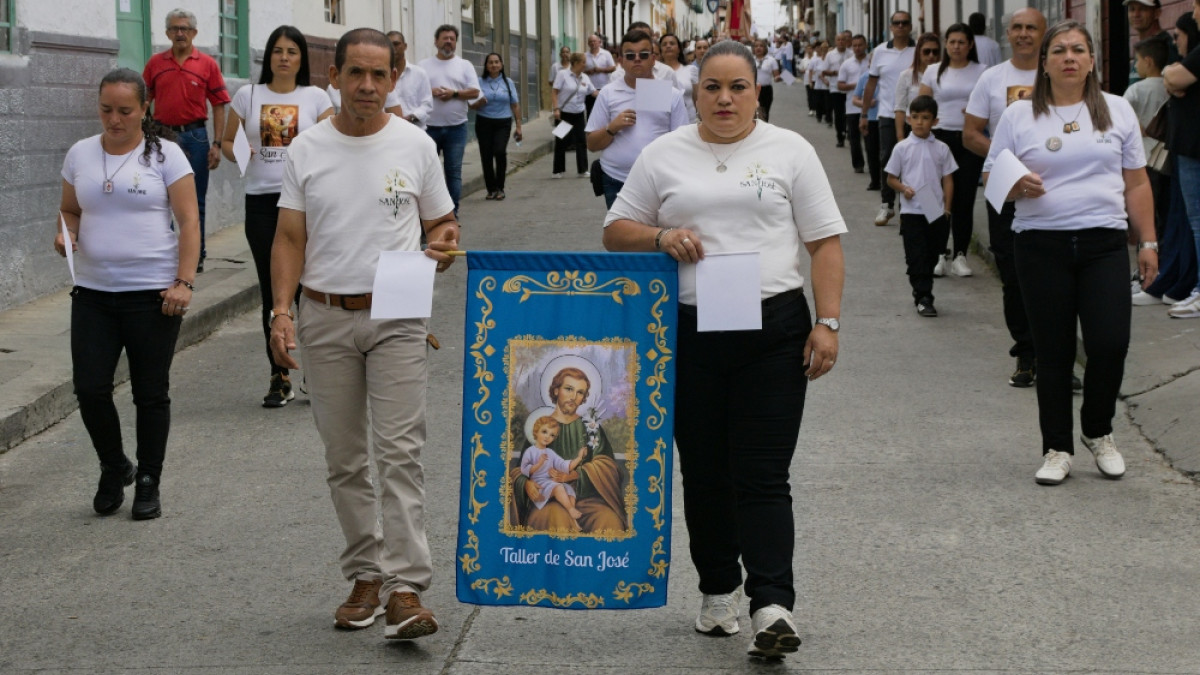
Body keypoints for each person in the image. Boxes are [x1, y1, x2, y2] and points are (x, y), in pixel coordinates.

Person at [602, 40, 846, 661]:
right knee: (706, 471)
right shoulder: (665, 153)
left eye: (738, 87)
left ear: (758, 92)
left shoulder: (790, 151)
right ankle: (718, 589)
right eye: (712, 87)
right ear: (694, 93)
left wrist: (829, 323)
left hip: (775, 330)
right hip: (689, 331)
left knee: (763, 473)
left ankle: (771, 603)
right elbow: (615, 231)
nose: (725, 99)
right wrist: (662, 234)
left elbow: (824, 243)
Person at [269, 28, 459, 639]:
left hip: (398, 315)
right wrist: (281, 312)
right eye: (357, 74)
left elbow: (442, 222)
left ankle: (406, 588)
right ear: (337, 76)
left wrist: (444, 246)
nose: (368, 87)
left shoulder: (416, 145)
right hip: (324, 314)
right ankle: (366, 574)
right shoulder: (307, 148)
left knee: (400, 453)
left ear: (394, 77)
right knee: (345, 458)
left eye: (380, 75)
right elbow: (291, 237)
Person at [985, 21, 1157, 485]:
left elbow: (1137, 181)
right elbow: (990, 174)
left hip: (1103, 244)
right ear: (1044, 63)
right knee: (1054, 351)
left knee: (1109, 343)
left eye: (1078, 49)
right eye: (1058, 50)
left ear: (1092, 60)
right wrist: (1015, 184)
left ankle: (1097, 431)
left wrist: (1148, 242)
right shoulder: (1020, 116)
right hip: (1041, 244)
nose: (1069, 57)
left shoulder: (1117, 111)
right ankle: (1057, 447)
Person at [56, 68, 199, 520]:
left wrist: (184, 281)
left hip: (153, 296)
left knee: (150, 393)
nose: (114, 120)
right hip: (94, 293)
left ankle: (149, 480)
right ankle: (115, 465)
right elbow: (68, 208)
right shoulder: (80, 153)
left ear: (144, 110)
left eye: (124, 111)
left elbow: (189, 222)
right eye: (106, 110)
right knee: (90, 388)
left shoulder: (166, 156)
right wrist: (66, 234)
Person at [220, 26, 333, 408]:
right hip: (263, 202)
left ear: (302, 58)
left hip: (308, 202)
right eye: (278, 51)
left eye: (292, 52)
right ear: (268, 56)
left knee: (310, 289)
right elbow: (225, 143)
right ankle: (279, 376)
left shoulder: (316, 97)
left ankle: (315, 374)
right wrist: (240, 152)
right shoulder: (247, 96)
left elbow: (334, 145)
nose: (284, 57)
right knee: (274, 291)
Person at [964, 7, 1047, 387]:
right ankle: (1026, 355)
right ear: (1007, 34)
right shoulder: (992, 79)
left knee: (1054, 275)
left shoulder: (1059, 74)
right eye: (1017, 28)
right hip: (1005, 191)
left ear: (1043, 33)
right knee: (1014, 275)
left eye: (1032, 28)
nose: (1024, 34)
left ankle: (1054, 358)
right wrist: (1008, 164)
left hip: (1051, 192)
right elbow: (971, 134)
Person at [143, 8, 228, 274]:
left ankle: (196, 255)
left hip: (195, 137)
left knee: (195, 200)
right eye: (175, 29)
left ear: (194, 33)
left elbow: (219, 104)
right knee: (160, 198)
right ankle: (169, 252)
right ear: (167, 32)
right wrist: (143, 132)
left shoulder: (207, 64)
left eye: (185, 29)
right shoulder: (155, 63)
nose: (180, 33)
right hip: (161, 137)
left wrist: (217, 144)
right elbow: (143, 100)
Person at [509, 366, 625, 532]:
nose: (573, 397)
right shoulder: (542, 427)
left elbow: (610, 468)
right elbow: (519, 471)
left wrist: (576, 475)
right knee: (557, 518)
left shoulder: (591, 428)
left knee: (609, 520)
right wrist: (526, 484)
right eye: (568, 389)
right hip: (548, 499)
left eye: (580, 392)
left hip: (587, 501)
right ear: (556, 390)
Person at [585, 29, 689, 208]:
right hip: (616, 179)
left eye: (643, 54)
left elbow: (683, 143)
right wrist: (612, 127)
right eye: (630, 55)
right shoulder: (608, 93)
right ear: (621, 61)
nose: (637, 59)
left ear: (653, 59)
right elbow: (592, 144)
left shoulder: (671, 95)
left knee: (657, 235)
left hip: (658, 182)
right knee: (620, 235)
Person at [919, 23, 988, 277]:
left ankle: (960, 254)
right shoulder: (933, 71)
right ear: (945, 44)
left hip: (969, 138)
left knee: (964, 197)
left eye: (962, 42)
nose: (956, 46)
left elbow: (990, 103)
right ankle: (938, 253)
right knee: (933, 196)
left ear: (970, 45)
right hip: (938, 138)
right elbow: (923, 105)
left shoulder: (982, 71)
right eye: (952, 42)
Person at [885, 95, 957, 317]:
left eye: (925, 118)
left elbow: (948, 179)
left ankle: (925, 289)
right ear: (908, 119)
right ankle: (923, 296)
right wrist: (903, 188)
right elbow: (891, 178)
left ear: (934, 121)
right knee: (916, 255)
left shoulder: (942, 148)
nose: (919, 122)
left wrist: (947, 208)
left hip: (935, 210)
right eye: (915, 117)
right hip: (912, 211)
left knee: (932, 253)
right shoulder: (902, 148)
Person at [419, 24, 480, 215]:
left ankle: (452, 213)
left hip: (456, 129)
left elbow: (475, 91)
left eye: (452, 39)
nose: (448, 42)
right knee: (428, 174)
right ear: (436, 41)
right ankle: (429, 215)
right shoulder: (423, 66)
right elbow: (416, 93)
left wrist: (454, 93)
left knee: (453, 173)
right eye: (445, 38)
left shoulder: (465, 65)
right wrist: (432, 92)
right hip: (428, 129)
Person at [861, 11, 915, 226]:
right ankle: (887, 205)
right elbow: (871, 84)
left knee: (913, 162)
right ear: (891, 27)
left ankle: (909, 207)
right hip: (886, 114)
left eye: (904, 23)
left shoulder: (918, 50)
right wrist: (864, 114)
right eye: (896, 23)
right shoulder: (880, 52)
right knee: (888, 160)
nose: (900, 26)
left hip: (915, 115)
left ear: (910, 26)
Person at [1163, 5, 1200, 318]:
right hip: (1190, 149)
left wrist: (1168, 74)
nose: (1196, 10)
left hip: (1195, 149)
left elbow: (1175, 77)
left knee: (1199, 222)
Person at [1123, 36, 1171, 262]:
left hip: (1141, 159)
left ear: (1149, 61)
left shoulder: (1135, 90)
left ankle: (1145, 264)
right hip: (1165, 158)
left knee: (1145, 216)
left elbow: (1121, 120)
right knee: (1165, 213)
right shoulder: (1169, 87)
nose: (1135, 65)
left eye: (1138, 60)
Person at [519, 416, 589, 528]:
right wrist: (539, 464)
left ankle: (573, 520)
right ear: (536, 431)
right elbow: (524, 469)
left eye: (552, 435)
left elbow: (564, 465)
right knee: (559, 487)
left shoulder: (550, 452)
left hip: (549, 482)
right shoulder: (530, 451)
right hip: (539, 484)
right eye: (544, 431)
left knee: (569, 489)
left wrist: (579, 458)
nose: (547, 437)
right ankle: (570, 509)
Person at [470, 52, 522, 200]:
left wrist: (519, 126)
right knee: (486, 155)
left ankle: (500, 187)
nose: (493, 65)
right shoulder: (479, 82)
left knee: (499, 151)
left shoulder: (508, 82)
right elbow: (471, 105)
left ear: (501, 65)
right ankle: (491, 189)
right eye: (490, 62)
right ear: (486, 66)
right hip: (484, 122)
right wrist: (478, 104)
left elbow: (515, 105)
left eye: (496, 62)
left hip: (503, 122)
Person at [551, 53, 595, 179]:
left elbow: (593, 92)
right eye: (583, 62)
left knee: (581, 141)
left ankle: (582, 170)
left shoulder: (585, 77)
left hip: (579, 113)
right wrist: (556, 108)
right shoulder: (562, 74)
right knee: (561, 141)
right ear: (575, 63)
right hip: (565, 113)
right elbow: (554, 92)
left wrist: (607, 96)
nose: (585, 64)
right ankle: (558, 170)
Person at [894, 33, 942, 142]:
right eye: (926, 51)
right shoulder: (906, 76)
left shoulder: (944, 75)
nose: (931, 56)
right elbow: (900, 108)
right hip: (913, 128)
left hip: (939, 128)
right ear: (918, 52)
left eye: (935, 52)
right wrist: (900, 138)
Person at [383, 31, 433, 128]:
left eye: (396, 44)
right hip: (388, 130)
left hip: (415, 130)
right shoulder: (380, 75)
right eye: (388, 45)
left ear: (405, 46)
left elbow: (427, 104)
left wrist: (410, 118)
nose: (393, 48)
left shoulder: (419, 74)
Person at [1126, 0, 1180, 87]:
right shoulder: (1142, 46)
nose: (1136, 14)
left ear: (1157, 13)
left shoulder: (1165, 46)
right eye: (1132, 9)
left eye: (1142, 9)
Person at [837, 34, 870, 174]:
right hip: (852, 107)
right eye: (855, 45)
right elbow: (840, 85)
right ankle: (858, 164)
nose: (857, 48)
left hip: (870, 107)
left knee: (870, 138)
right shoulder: (847, 64)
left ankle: (874, 164)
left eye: (860, 45)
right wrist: (857, 86)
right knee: (854, 138)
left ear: (865, 45)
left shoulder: (872, 62)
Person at [854, 55, 882, 191]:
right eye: (872, 62)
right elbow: (855, 99)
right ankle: (875, 180)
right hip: (870, 119)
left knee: (885, 152)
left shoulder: (888, 77)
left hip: (885, 118)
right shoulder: (865, 78)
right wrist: (866, 104)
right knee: (872, 151)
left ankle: (886, 181)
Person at [823, 31, 851, 145]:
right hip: (835, 87)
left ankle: (848, 131)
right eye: (838, 40)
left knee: (849, 113)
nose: (841, 42)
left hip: (849, 88)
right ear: (835, 41)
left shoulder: (851, 54)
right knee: (839, 113)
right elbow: (824, 71)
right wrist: (834, 72)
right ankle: (840, 136)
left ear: (846, 41)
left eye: (843, 40)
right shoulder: (830, 55)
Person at [661, 34, 697, 121]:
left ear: (679, 49)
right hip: (664, 121)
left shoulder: (690, 70)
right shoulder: (654, 72)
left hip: (689, 119)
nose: (668, 46)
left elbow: (697, 98)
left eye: (672, 43)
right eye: (664, 44)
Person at [584, 34, 616, 117]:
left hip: (604, 88)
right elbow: (581, 71)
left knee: (603, 112)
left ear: (599, 42)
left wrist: (601, 70)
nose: (593, 43)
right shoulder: (584, 56)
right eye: (590, 42)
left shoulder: (606, 54)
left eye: (594, 41)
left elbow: (613, 68)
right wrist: (588, 71)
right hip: (590, 89)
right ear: (588, 44)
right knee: (590, 112)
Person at [752, 39, 782, 121]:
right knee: (752, 112)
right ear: (753, 48)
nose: (758, 48)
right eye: (756, 46)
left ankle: (763, 131)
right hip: (752, 89)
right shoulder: (750, 59)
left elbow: (776, 77)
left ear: (765, 48)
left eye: (761, 46)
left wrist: (781, 78)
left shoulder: (771, 60)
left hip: (766, 90)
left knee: (764, 113)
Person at [808, 42, 830, 124]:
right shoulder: (816, 60)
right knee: (818, 101)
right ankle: (819, 116)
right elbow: (812, 71)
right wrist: (810, 81)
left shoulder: (829, 59)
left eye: (826, 48)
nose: (824, 50)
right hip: (818, 84)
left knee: (827, 102)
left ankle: (828, 117)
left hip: (828, 84)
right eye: (823, 48)